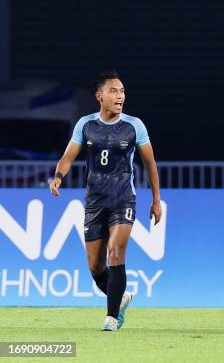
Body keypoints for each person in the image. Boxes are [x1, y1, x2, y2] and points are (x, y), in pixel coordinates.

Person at [49, 71, 162, 331]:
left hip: (123, 199)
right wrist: (58, 176)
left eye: (122, 91)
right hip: (94, 202)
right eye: (113, 90)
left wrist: (156, 200)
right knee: (95, 266)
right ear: (99, 96)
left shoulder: (135, 125)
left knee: (116, 252)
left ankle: (112, 317)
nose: (120, 95)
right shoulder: (85, 125)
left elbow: (150, 163)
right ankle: (120, 297)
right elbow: (68, 156)